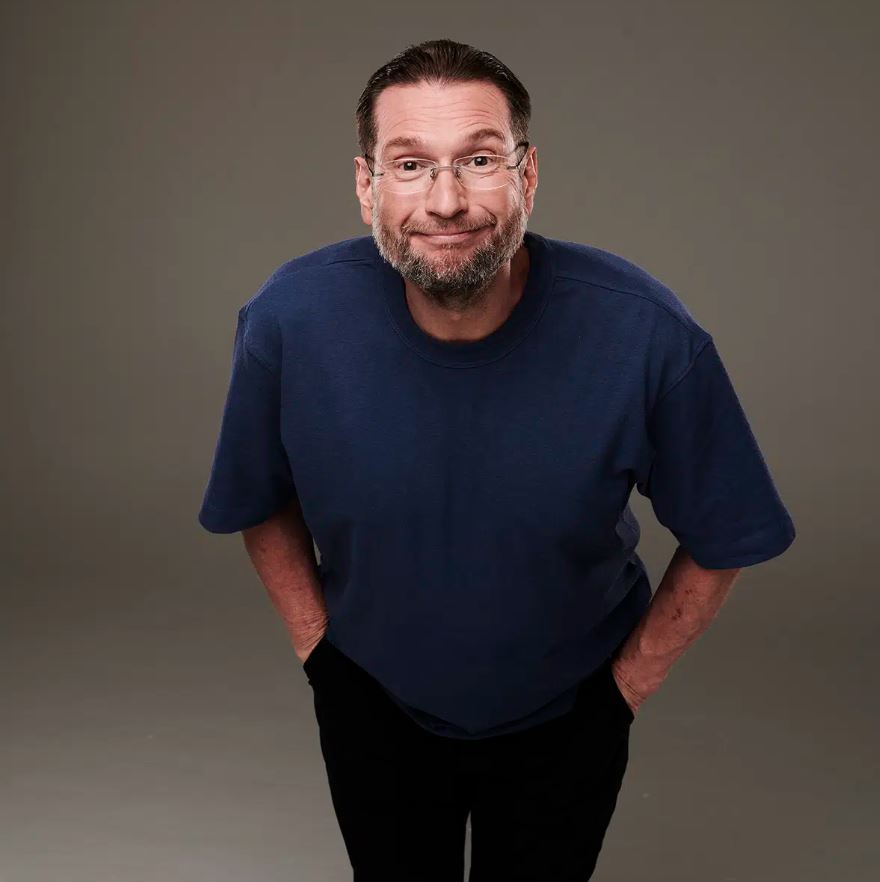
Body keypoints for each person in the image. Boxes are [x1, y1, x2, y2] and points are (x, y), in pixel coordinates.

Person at [197, 38, 796, 882]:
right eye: (410, 164)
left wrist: (625, 688)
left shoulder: (646, 335)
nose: (446, 201)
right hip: (370, 698)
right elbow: (256, 496)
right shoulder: (288, 321)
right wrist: (321, 657)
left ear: (529, 174)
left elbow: (728, 532)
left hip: (572, 710)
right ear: (367, 184)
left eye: (479, 159)